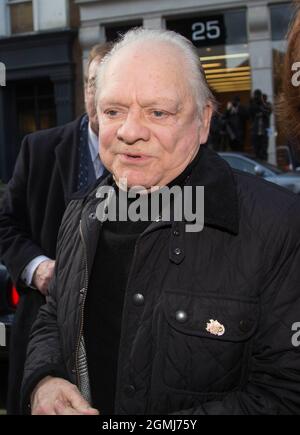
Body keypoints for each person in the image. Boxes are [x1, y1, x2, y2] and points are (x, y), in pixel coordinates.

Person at [22, 28, 300, 415]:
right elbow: (53, 314)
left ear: (203, 121)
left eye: (158, 112)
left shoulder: (279, 225)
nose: (130, 132)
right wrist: (44, 380)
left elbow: (285, 393)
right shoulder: (81, 211)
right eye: (113, 111)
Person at [0, 42, 112, 415]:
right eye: (94, 82)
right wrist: (38, 268)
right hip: (42, 337)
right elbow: (4, 223)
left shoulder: (149, 157)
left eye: (111, 83)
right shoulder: (40, 149)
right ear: (84, 86)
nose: (99, 95)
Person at [249, 89, 272, 160]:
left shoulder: (267, 104)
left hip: (265, 131)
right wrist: (253, 103)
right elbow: (249, 113)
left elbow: (268, 112)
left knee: (264, 150)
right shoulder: (253, 105)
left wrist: (261, 103)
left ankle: (265, 164)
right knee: (256, 151)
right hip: (255, 132)